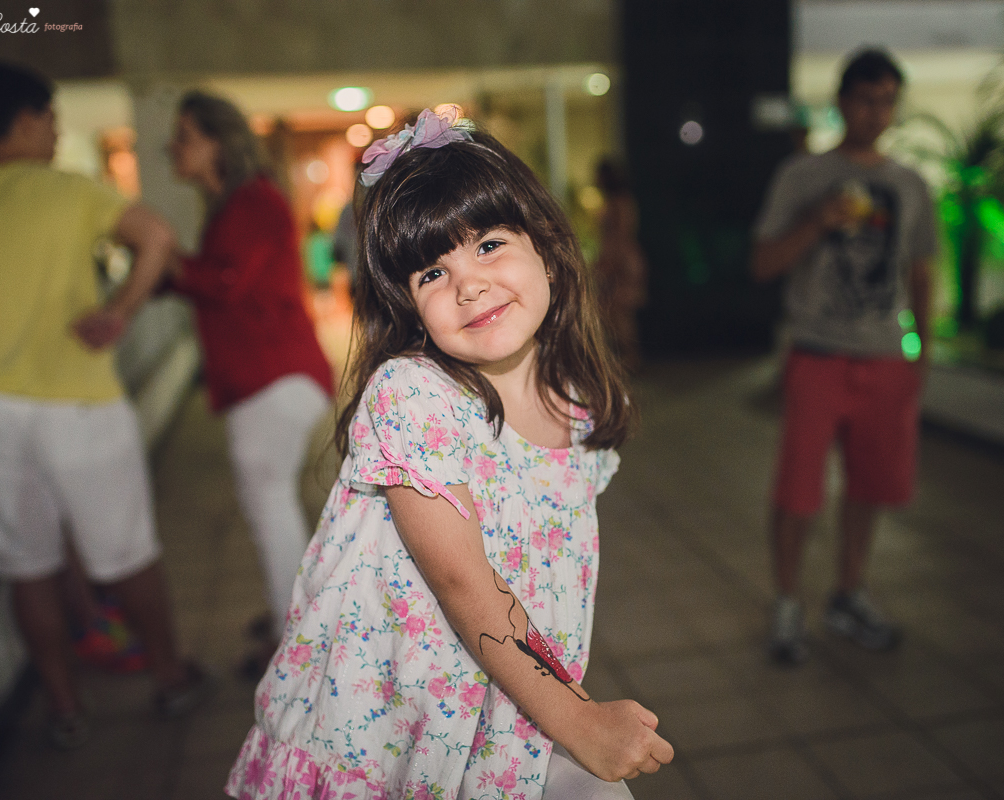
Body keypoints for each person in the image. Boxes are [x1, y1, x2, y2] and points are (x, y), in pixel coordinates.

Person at [225, 109, 673, 800]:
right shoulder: (415, 396)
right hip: (390, 723)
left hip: (504, 705)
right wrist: (578, 719)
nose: (468, 284)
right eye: (433, 271)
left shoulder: (574, 402)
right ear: (407, 304)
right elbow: (464, 584)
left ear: (548, 248)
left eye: (490, 244)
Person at [0, 62, 210, 747]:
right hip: (82, 406)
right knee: (128, 552)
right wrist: (120, 312)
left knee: (27, 566)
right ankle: (168, 679)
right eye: (50, 120)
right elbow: (156, 236)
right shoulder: (69, 191)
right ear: (23, 121)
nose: (55, 132)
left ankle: (65, 707)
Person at [750, 49, 936, 666]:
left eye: (886, 100)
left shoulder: (910, 185)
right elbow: (763, 264)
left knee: (871, 487)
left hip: (885, 356)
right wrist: (815, 222)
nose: (875, 111)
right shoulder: (802, 175)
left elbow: (923, 272)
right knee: (799, 490)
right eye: (864, 98)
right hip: (818, 354)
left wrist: (920, 356)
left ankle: (849, 593)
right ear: (841, 102)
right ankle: (786, 604)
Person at [167, 92, 334, 673]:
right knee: (272, 503)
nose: (172, 146)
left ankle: (300, 644)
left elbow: (227, 280)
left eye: (184, 135)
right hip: (269, 377)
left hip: (273, 376)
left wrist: (167, 264)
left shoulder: (252, 200)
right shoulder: (239, 202)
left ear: (218, 142)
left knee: (269, 506)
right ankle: (301, 620)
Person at [592, 159, 648, 372]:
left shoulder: (620, 202)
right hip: (618, 259)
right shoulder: (616, 201)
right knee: (613, 311)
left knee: (620, 311)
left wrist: (609, 263)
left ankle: (631, 358)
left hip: (621, 261)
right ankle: (626, 357)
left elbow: (621, 235)